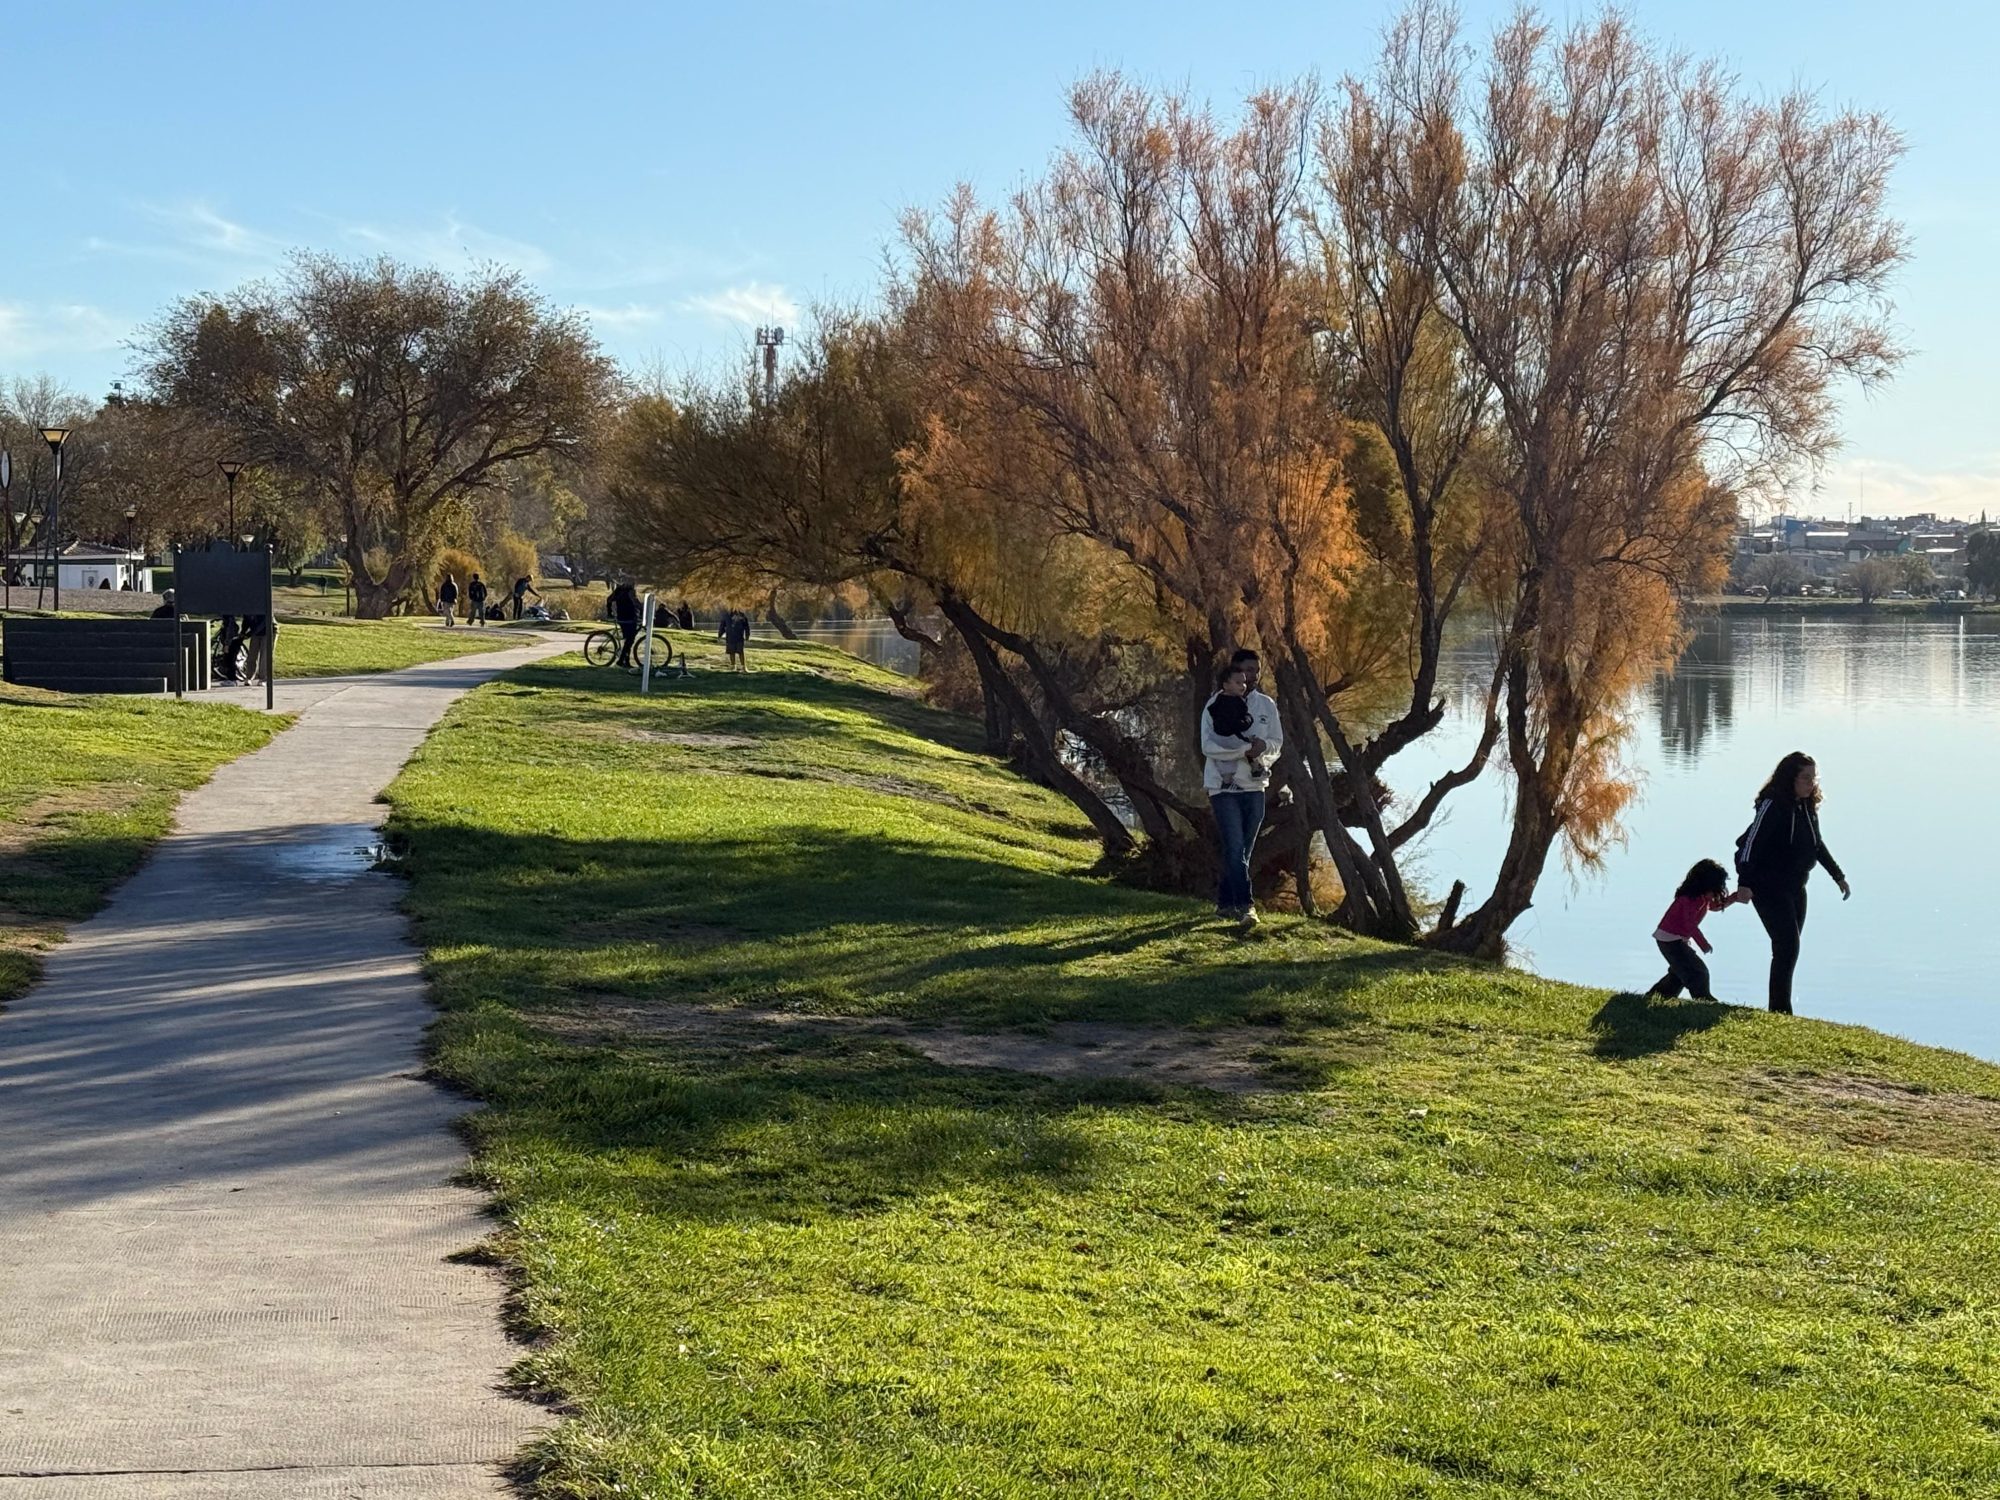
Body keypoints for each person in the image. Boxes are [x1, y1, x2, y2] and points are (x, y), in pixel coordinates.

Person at [1736, 751, 1851, 1015]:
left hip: (1796, 887)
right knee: (1786, 946)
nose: (1812, 783)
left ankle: (1779, 1009)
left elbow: (1816, 844)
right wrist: (1745, 882)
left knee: (1790, 948)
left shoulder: (1807, 806)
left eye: (1814, 777)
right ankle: (1780, 1011)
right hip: (1767, 886)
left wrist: (1838, 875)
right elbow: (1751, 844)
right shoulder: (1773, 804)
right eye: (1806, 778)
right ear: (1791, 778)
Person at [1201, 649, 1283, 929]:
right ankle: (1247, 907)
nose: (1251, 676)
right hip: (1223, 788)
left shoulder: (1267, 705)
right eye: (1246, 670)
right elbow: (1208, 747)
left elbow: (1276, 744)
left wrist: (1263, 749)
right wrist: (1242, 751)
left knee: (1242, 851)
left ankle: (1225, 904)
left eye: (1256, 671)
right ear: (1232, 673)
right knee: (1235, 847)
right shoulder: (1214, 705)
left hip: (1255, 787)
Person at [1647, 858, 1752, 1002]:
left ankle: (1656, 996)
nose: (1716, 894)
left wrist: (1733, 898)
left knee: (1679, 974)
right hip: (1670, 940)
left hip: (1676, 939)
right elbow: (1690, 925)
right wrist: (1704, 944)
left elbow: (1714, 907)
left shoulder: (1703, 898)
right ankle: (1704, 1000)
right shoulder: (1687, 900)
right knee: (1698, 972)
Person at [608, 581, 641, 666]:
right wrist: (643, 609)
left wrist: (609, 612)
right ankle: (622, 660)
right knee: (629, 640)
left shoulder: (619, 590)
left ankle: (626, 661)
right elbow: (635, 602)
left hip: (623, 617)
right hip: (629, 618)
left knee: (629, 640)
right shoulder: (629, 591)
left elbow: (609, 599)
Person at [238, 614, 273, 686]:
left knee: (264, 656)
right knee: (252, 654)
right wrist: (243, 632)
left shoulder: (262, 607)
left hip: (268, 630)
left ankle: (263, 679)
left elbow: (264, 623)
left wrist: (249, 634)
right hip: (255, 632)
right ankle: (249, 677)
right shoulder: (248, 609)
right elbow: (246, 621)